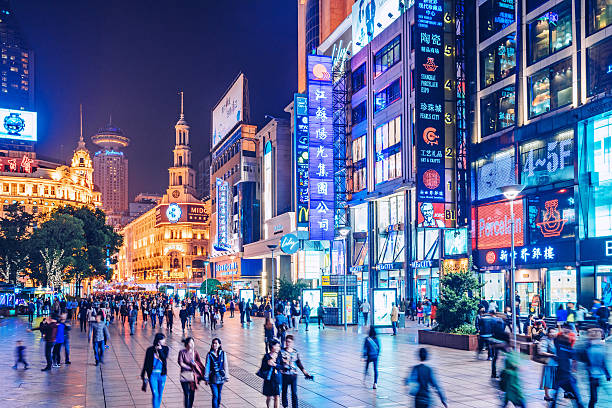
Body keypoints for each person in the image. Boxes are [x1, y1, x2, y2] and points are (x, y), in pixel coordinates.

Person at [550, 328, 585, 408]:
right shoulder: (568, 347)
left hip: (560, 373)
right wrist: (574, 370)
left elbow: (556, 338)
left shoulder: (558, 344)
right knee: (576, 395)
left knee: (556, 394)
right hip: (566, 374)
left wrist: (562, 332)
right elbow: (575, 359)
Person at [580, 328, 610, 408]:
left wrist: (607, 374)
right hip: (591, 375)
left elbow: (603, 361)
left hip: (598, 374)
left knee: (594, 398)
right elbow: (584, 358)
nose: (597, 334)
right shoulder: (588, 346)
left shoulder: (602, 346)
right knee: (594, 398)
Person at [280, 335, 311, 408]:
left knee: (294, 392)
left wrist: (305, 372)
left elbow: (298, 362)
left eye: (289, 342)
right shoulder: (281, 352)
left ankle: (295, 406)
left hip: (293, 375)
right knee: (284, 391)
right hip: (285, 375)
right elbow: (279, 363)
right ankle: (285, 405)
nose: (288, 343)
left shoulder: (295, 352)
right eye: (287, 342)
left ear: (292, 343)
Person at [141, 333, 169, 408]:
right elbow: (146, 363)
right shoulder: (150, 350)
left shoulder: (165, 349)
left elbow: (164, 358)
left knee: (160, 394)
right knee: (155, 393)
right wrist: (143, 374)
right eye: (162, 339)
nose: (164, 340)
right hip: (152, 375)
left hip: (162, 375)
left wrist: (160, 350)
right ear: (158, 340)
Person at [178, 337, 204, 408]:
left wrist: (196, 365)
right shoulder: (182, 352)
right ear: (187, 344)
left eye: (193, 343)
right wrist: (190, 367)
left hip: (193, 376)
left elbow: (199, 362)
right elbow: (180, 363)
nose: (192, 344)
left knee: (192, 393)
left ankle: (190, 406)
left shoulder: (195, 352)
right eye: (190, 343)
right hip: (184, 375)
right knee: (186, 393)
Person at [204, 338, 229, 408]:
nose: (214, 344)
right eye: (213, 343)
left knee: (219, 395)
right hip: (213, 378)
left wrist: (226, 376)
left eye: (216, 343)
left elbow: (225, 365)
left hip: (221, 377)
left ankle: (217, 406)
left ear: (219, 345)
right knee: (215, 395)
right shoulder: (209, 354)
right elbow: (207, 366)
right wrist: (206, 377)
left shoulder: (223, 353)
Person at [259, 339, 283, 408]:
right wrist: (268, 363)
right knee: (268, 397)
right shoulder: (266, 356)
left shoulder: (279, 356)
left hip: (277, 379)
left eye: (279, 346)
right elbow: (262, 368)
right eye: (277, 346)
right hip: (269, 379)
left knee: (277, 396)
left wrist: (275, 365)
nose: (278, 348)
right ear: (272, 347)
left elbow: (282, 367)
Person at [537, 327, 558, 402]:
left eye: (554, 332)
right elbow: (541, 352)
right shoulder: (545, 340)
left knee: (556, 380)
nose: (553, 334)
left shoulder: (556, 340)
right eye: (551, 332)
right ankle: (546, 395)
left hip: (556, 363)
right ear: (548, 333)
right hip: (549, 363)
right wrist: (552, 355)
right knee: (548, 379)